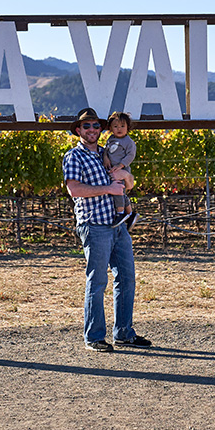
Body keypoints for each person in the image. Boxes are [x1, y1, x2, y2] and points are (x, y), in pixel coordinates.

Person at [63, 107, 152, 352]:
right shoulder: (74, 157)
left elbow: (129, 185)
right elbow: (74, 190)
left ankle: (123, 333)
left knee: (126, 279)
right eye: (86, 126)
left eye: (95, 125)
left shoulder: (108, 154)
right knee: (98, 280)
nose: (91, 129)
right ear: (79, 130)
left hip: (118, 225)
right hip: (94, 225)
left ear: (100, 129)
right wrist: (108, 190)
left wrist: (126, 176)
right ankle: (94, 337)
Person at [103, 111, 138, 228]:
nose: (119, 129)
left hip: (121, 171)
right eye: (116, 126)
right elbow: (106, 150)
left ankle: (120, 213)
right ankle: (131, 214)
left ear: (128, 127)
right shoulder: (111, 139)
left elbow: (130, 156)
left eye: (122, 126)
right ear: (111, 128)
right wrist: (106, 158)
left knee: (118, 191)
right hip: (112, 169)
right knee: (121, 193)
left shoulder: (128, 142)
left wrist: (121, 165)